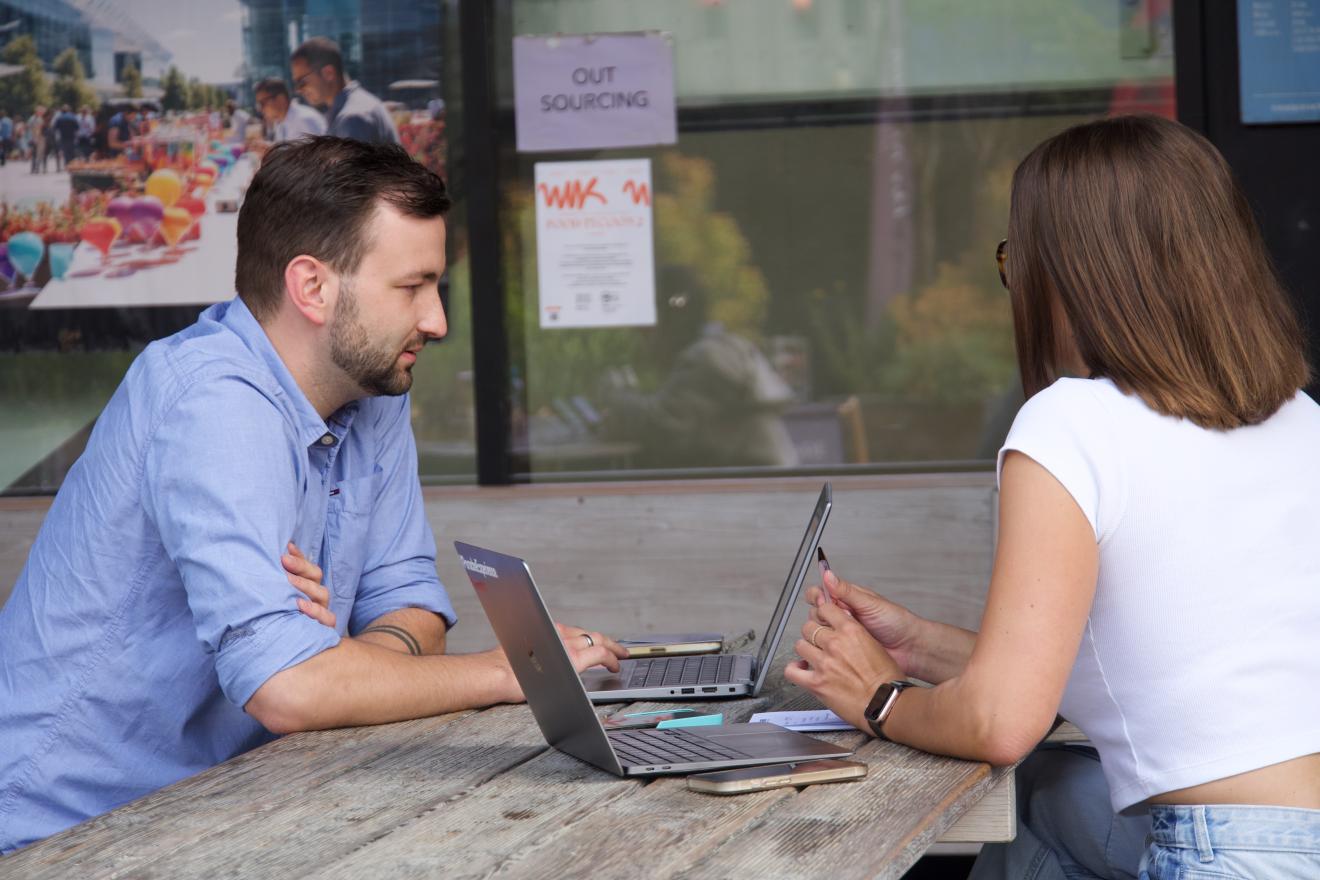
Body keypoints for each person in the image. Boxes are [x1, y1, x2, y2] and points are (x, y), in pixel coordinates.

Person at [0, 137, 627, 854]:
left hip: (223, 805)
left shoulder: (373, 388)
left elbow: (411, 602)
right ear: (313, 288)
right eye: (411, 287)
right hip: (60, 833)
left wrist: (344, 660)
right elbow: (290, 689)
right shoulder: (214, 403)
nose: (437, 321)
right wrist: (509, 670)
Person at [787, 114, 1320, 879]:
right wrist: (926, 646)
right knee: (1050, 796)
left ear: (1065, 275)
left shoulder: (1071, 421)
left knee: (1028, 785)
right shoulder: (1299, 419)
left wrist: (879, 697)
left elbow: (1001, 723)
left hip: (1221, 855)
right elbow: (1168, 673)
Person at [597, 266, 799, 469]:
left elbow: (663, 426)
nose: (644, 339)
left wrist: (617, 396)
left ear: (670, 319)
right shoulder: (716, 350)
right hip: (752, 483)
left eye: (647, 326)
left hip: (756, 487)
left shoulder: (708, 358)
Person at [290, 37, 400, 145]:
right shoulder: (356, 106)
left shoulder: (352, 119)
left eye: (302, 82)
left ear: (328, 73)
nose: (298, 90)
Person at [254, 77, 326, 143]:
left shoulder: (303, 120)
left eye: (263, 103)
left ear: (280, 99)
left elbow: (316, 155)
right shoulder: (280, 123)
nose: (260, 109)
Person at [52, 105, 79, 169]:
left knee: (66, 152)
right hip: (71, 137)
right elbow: (77, 128)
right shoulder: (73, 117)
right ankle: (72, 165)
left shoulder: (59, 118)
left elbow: (55, 128)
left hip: (63, 137)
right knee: (72, 151)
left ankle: (67, 165)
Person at [26, 105, 45, 173]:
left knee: (36, 154)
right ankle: (35, 168)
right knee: (36, 154)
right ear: (38, 112)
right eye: (42, 112)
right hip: (36, 138)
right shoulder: (35, 119)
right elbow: (34, 129)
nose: (43, 113)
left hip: (36, 138)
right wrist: (35, 138)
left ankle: (35, 168)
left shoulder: (37, 118)